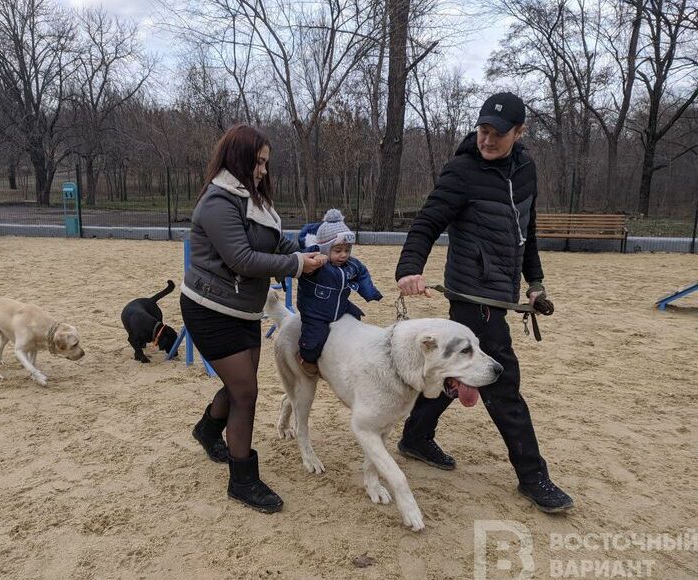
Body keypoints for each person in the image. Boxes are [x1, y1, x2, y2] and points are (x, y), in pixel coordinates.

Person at [394, 92, 573, 513]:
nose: (487, 141)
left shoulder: (526, 171)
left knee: (456, 373)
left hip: (503, 294)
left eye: (497, 134)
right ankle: (534, 477)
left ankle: (416, 438)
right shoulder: (462, 172)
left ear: (520, 132)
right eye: (482, 131)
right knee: (502, 383)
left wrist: (536, 282)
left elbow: (525, 233)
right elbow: (426, 222)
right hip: (470, 297)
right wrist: (409, 267)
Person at [180, 124, 327, 513]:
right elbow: (241, 259)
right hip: (209, 309)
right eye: (258, 162)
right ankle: (242, 479)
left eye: (265, 163)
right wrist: (297, 264)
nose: (263, 170)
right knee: (245, 392)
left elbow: (274, 241)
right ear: (240, 159)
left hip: (244, 308)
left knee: (237, 385)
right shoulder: (217, 201)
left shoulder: (254, 198)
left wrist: (307, 252)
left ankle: (207, 429)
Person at [295, 209, 383, 376]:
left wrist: (370, 293)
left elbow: (362, 274)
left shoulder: (351, 264)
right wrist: (315, 261)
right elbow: (300, 266)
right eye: (337, 251)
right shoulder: (315, 264)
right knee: (315, 340)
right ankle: (304, 357)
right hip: (316, 311)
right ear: (325, 249)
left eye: (347, 250)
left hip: (340, 305)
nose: (344, 255)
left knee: (356, 318)